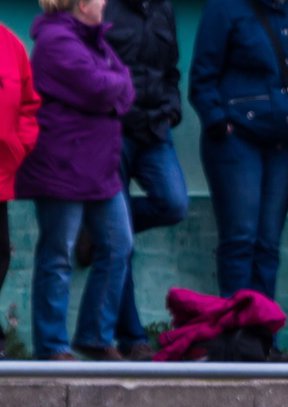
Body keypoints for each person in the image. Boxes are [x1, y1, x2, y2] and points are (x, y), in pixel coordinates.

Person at [16, 0, 135, 361]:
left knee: (119, 245)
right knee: (58, 254)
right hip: (61, 167)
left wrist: (114, 87)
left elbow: (125, 87)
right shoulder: (56, 42)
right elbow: (102, 88)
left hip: (99, 168)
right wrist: (114, 88)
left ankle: (95, 335)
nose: (106, 4)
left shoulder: (93, 40)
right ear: (83, 4)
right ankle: (51, 346)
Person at [188, 0, 288, 303]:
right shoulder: (225, 8)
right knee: (240, 239)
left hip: (284, 142)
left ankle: (262, 338)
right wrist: (218, 122)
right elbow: (202, 76)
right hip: (235, 139)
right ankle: (236, 337)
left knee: (268, 243)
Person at [101, 0, 188, 360]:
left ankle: (100, 227)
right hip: (114, 129)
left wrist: (172, 109)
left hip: (155, 128)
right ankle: (132, 336)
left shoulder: (162, 8)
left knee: (173, 203)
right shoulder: (103, 6)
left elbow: (170, 70)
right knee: (122, 242)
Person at [0, 22, 40, 360]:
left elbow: (28, 103)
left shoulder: (10, 43)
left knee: (1, 253)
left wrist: (19, 146)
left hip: (0, 172)